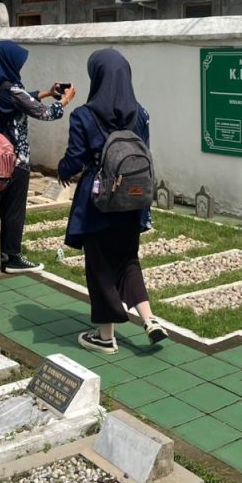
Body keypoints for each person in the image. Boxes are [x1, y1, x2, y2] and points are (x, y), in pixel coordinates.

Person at [58, 49, 167, 354]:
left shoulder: (84, 115)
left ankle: (105, 337)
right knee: (128, 260)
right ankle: (150, 319)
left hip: (98, 201)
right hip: (132, 199)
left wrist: (63, 172)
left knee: (100, 266)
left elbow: (75, 159)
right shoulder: (140, 113)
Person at [0, 40, 75, 272]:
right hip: (17, 160)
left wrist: (45, 92)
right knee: (14, 210)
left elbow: (23, 100)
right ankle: (13, 256)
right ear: (7, 62)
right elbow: (44, 113)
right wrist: (64, 100)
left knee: (2, 208)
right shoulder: (12, 91)